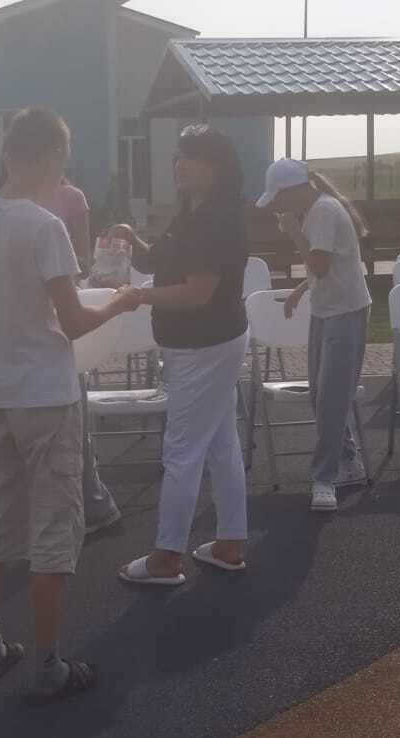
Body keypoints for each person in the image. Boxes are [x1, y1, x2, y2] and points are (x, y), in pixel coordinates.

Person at [0, 107, 136, 704]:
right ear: (52, 156)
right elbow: (73, 321)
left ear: (8, 153)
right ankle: (48, 664)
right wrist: (121, 303)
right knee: (55, 527)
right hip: (46, 399)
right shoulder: (46, 227)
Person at [105, 125, 250, 586]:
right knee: (222, 444)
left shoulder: (215, 220)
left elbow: (197, 293)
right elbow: (158, 262)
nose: (179, 164)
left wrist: (138, 297)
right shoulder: (192, 212)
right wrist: (132, 238)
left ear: (217, 167)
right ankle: (229, 543)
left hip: (202, 346)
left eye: (192, 156)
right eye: (178, 155)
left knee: (182, 451)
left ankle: (167, 556)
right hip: (211, 342)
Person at [264, 158, 373, 512]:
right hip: (328, 310)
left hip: (345, 312)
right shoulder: (317, 210)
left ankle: (325, 478)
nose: (277, 206)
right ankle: (348, 461)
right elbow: (329, 264)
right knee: (322, 395)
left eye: (278, 198)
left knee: (330, 398)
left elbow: (321, 266)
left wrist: (293, 232)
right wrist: (300, 290)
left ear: (291, 191)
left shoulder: (323, 212)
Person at [35, 176, 123, 534]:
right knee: (61, 416)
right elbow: (82, 261)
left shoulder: (69, 198)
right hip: (44, 315)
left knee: (65, 415)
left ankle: (89, 500)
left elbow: (83, 260)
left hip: (49, 312)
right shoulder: (61, 200)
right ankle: (87, 502)